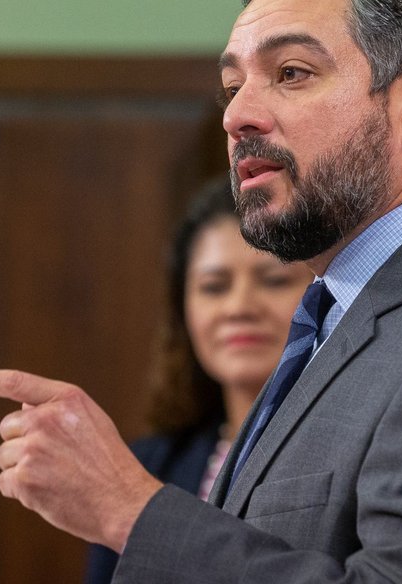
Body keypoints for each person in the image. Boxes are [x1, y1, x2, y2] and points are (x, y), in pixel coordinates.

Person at [0, 0, 402, 581]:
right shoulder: (341, 313)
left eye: (291, 73)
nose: (237, 115)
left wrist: (133, 511)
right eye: (232, 85)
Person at [84, 177, 313, 583]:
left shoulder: (356, 458)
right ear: (184, 309)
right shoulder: (144, 467)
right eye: (214, 287)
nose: (239, 306)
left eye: (273, 280)